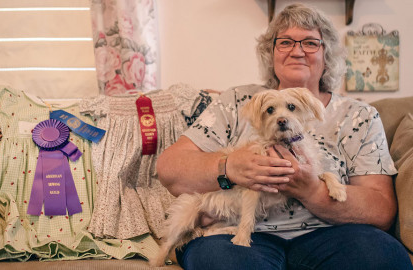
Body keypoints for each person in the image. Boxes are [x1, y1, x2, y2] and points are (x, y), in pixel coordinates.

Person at [156, 3, 412, 270]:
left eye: (311, 43)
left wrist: (313, 191)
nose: (297, 51)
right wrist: (228, 166)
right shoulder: (235, 102)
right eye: (286, 42)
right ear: (271, 52)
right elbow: (170, 168)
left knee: (383, 259)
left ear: (328, 54)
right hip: (240, 232)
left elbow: (381, 209)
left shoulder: (360, 116)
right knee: (223, 262)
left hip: (334, 233)